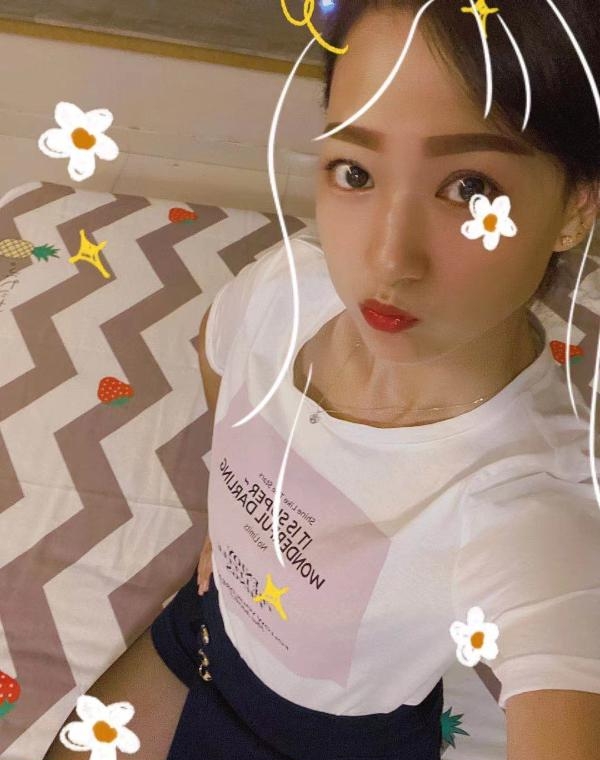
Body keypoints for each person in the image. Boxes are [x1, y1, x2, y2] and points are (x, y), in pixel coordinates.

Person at [43, 1, 600, 758]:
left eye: (470, 187)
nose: (387, 259)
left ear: (575, 208)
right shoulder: (285, 290)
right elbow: (216, 350)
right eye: (356, 171)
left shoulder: (532, 503)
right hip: (205, 630)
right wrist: (228, 526)